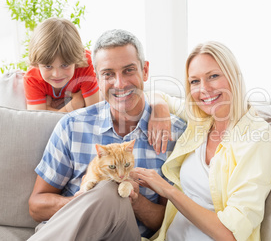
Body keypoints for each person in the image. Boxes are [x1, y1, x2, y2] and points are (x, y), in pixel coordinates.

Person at [27, 29, 186, 240]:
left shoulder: (175, 135)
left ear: (145, 70)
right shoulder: (73, 126)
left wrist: (134, 200)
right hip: (67, 231)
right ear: (97, 76)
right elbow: (36, 206)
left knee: (110, 190)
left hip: (124, 235)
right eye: (108, 74)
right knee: (105, 192)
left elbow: (167, 222)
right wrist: (85, 203)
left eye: (129, 70)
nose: (119, 83)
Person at [138, 41, 271, 241]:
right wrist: (160, 106)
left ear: (233, 77)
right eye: (195, 81)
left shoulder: (256, 137)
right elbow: (156, 94)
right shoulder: (201, 119)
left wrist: (167, 190)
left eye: (213, 76)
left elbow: (231, 233)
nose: (204, 89)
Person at [24, 17, 100, 112]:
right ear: (37, 64)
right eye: (48, 66)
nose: (57, 74)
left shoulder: (86, 64)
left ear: (75, 61)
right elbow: (39, 123)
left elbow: (95, 113)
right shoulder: (32, 78)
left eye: (65, 65)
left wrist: (49, 109)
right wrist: (74, 105)